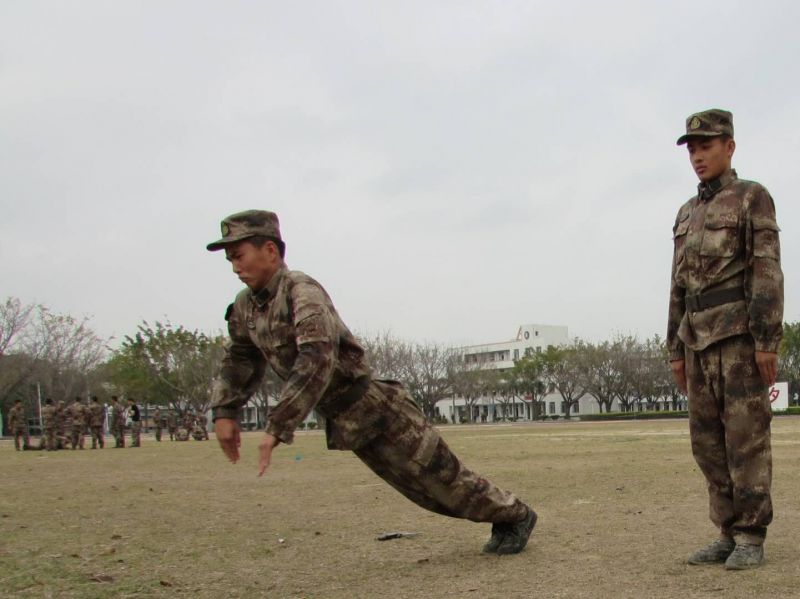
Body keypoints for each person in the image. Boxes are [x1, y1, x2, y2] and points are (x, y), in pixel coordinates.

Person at [207, 210, 536, 555]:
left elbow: (316, 356)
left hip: (380, 409)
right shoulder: (246, 307)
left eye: (239, 256)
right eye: (230, 259)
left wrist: (279, 424)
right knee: (421, 491)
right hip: (347, 420)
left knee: (444, 481)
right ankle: (506, 517)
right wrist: (225, 411)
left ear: (270, 251)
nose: (235, 267)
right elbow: (240, 359)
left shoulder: (301, 291)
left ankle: (517, 514)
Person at [668, 109, 784, 570]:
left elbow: (767, 268)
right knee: (707, 444)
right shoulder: (687, 213)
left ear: (729, 146)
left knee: (746, 439)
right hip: (695, 340)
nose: (698, 156)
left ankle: (751, 535)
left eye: (706, 146)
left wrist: (767, 338)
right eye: (692, 148)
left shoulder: (752, 197)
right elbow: (676, 285)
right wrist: (674, 349)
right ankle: (726, 531)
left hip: (738, 339)